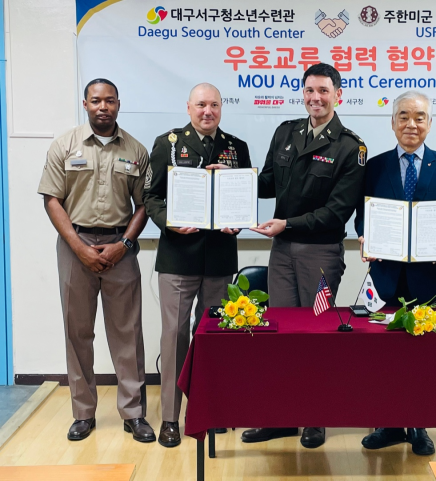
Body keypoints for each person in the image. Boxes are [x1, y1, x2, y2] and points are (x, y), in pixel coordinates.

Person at [243, 63, 367, 449]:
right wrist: (229, 179)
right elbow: (267, 183)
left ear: (338, 95)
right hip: (281, 251)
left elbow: (338, 211)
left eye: (324, 91)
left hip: (321, 255)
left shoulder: (352, 147)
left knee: (316, 334)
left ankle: (315, 418)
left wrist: (287, 224)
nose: (316, 98)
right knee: (281, 334)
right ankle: (281, 417)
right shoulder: (286, 132)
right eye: (310, 90)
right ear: (303, 93)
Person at [38, 79, 154, 443]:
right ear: (85, 104)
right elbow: (52, 199)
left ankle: (133, 414)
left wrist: (123, 243)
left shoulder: (136, 149)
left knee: (128, 333)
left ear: (119, 104)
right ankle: (83, 413)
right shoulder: (65, 144)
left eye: (109, 101)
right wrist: (78, 246)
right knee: (78, 332)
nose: (103, 107)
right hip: (76, 245)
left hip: (121, 248)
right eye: (95, 101)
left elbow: (145, 204)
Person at [354, 90, 436, 456]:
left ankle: (419, 426)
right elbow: (363, 215)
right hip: (385, 276)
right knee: (382, 356)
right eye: (403, 116)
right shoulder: (375, 166)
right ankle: (387, 424)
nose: (411, 124)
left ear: (429, 124)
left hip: (428, 277)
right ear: (392, 122)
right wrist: (364, 237)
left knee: (421, 357)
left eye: (419, 117)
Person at [143, 83, 251, 448]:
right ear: (188, 107)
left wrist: (238, 219)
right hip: (178, 256)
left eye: (215, 105)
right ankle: (171, 418)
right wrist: (169, 220)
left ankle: (209, 409)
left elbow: (242, 198)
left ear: (222, 108)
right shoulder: (168, 144)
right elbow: (151, 196)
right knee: (175, 337)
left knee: (213, 338)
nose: (208, 111)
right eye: (201, 104)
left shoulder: (236, 148)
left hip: (219, 257)